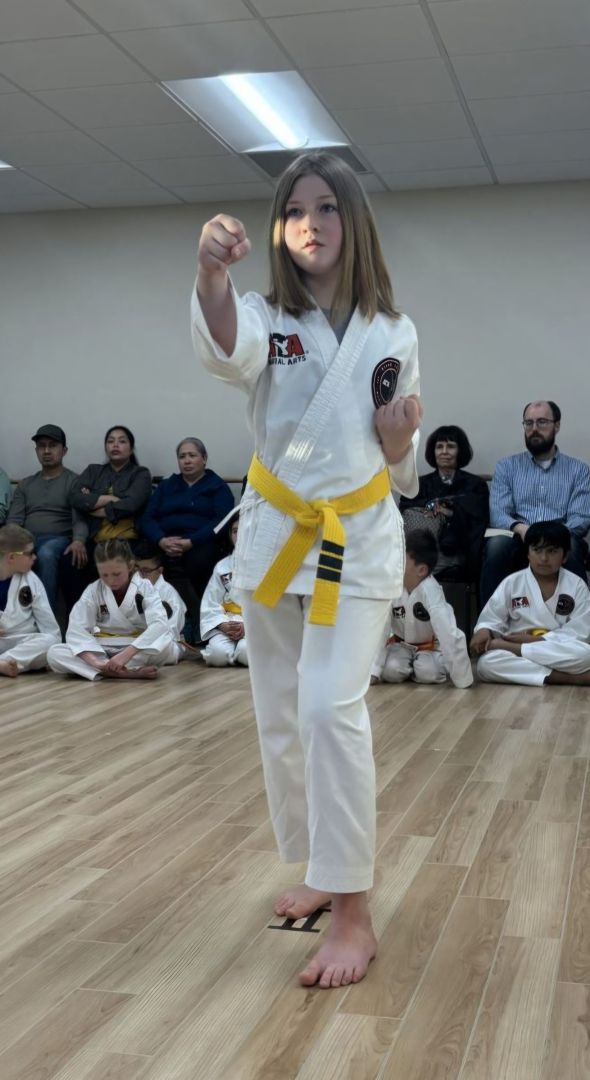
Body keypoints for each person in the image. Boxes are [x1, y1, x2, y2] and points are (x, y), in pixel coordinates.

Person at [192, 150, 421, 989]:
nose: (310, 223)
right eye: (294, 210)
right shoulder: (264, 315)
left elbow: (400, 460)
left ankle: (355, 910)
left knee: (330, 709)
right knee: (284, 716)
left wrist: (399, 440)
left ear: (353, 221)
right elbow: (227, 350)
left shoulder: (394, 330)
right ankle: (325, 867)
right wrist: (211, 276)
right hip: (273, 534)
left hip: (354, 538)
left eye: (326, 207)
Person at [480, 401, 590, 606]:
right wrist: (522, 529)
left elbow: (581, 518)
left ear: (557, 425)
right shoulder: (507, 466)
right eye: (529, 423)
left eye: (542, 422)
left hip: (561, 535)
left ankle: (578, 619)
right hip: (519, 536)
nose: (534, 429)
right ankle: (490, 620)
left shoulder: (578, 470)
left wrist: (553, 535)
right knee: (496, 547)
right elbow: (499, 513)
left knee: (572, 547)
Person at [471, 521, 590, 686]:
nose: (544, 558)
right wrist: (484, 630)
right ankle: (570, 678)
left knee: (585, 655)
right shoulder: (512, 582)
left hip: (546, 647)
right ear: (527, 553)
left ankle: (520, 656)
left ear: (565, 556)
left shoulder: (576, 585)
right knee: (486, 664)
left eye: (552, 551)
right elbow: (491, 618)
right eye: (537, 550)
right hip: (545, 657)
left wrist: (532, 642)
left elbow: (580, 633)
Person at [140, 438, 233, 642]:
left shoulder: (217, 486)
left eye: (192, 455)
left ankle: (194, 620)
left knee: (197, 561)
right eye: (182, 456)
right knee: (155, 562)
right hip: (165, 542)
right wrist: (161, 540)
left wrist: (191, 542)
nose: (187, 460)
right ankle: (184, 621)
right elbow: (147, 518)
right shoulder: (167, 486)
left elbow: (221, 521)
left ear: (204, 458)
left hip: (200, 542)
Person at [47, 539, 177, 681]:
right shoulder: (94, 590)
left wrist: (125, 656)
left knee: (166, 646)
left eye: (116, 574)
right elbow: (76, 630)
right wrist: (97, 663)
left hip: (135, 648)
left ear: (130, 566)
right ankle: (122, 672)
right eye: (104, 575)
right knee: (54, 653)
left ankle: (105, 670)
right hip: (102, 646)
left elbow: (159, 624)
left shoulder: (145, 587)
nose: (111, 580)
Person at [371, 530, 473, 687]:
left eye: (402, 560)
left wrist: (462, 679)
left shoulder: (431, 591)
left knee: (428, 672)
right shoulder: (392, 585)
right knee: (390, 671)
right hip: (401, 645)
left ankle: (416, 667)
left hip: (430, 648)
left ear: (421, 570)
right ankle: (407, 667)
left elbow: (448, 632)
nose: (396, 564)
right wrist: (373, 671)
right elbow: (381, 629)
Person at [7, 425, 88, 613]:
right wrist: (12, 545)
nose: (46, 451)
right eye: (42, 446)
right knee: (9, 553)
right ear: (36, 450)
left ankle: (46, 619)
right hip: (28, 540)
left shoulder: (74, 482)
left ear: (64, 451)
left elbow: (79, 518)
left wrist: (79, 540)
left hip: (59, 540)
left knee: (47, 553)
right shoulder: (26, 484)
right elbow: (14, 521)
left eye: (52, 445)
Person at [399, 425, 489, 581]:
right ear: (433, 452)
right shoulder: (419, 484)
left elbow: (478, 518)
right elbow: (406, 512)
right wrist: (433, 507)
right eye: (439, 447)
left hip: (459, 547)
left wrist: (450, 512)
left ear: (460, 451)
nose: (444, 451)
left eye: (451, 446)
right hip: (423, 547)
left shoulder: (475, 484)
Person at [69, 426, 152, 557]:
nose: (115, 445)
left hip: (127, 540)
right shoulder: (93, 471)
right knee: (69, 560)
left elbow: (131, 505)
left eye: (122, 441)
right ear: (105, 448)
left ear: (131, 449)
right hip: (95, 540)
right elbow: (75, 498)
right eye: (110, 441)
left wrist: (93, 508)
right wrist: (110, 499)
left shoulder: (140, 474)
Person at [0, 524, 61, 677]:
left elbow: (50, 629)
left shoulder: (32, 581)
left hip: (22, 643)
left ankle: (4, 662)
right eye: (29, 553)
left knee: (51, 642)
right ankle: (7, 664)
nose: (35, 557)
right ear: (11, 557)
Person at [200, 516, 247, 667]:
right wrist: (222, 625)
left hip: (254, 625)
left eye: (244, 530)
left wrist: (248, 626)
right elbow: (211, 602)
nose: (238, 535)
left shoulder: (266, 564)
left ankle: (239, 653)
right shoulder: (222, 567)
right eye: (235, 531)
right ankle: (234, 653)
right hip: (227, 622)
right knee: (216, 655)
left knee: (246, 652)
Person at [134, 538, 187, 660]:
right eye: (136, 569)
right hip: (134, 639)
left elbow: (169, 632)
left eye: (145, 571)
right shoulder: (130, 586)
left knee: (157, 649)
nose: (139, 575)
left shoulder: (169, 594)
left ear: (159, 571)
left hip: (166, 642)